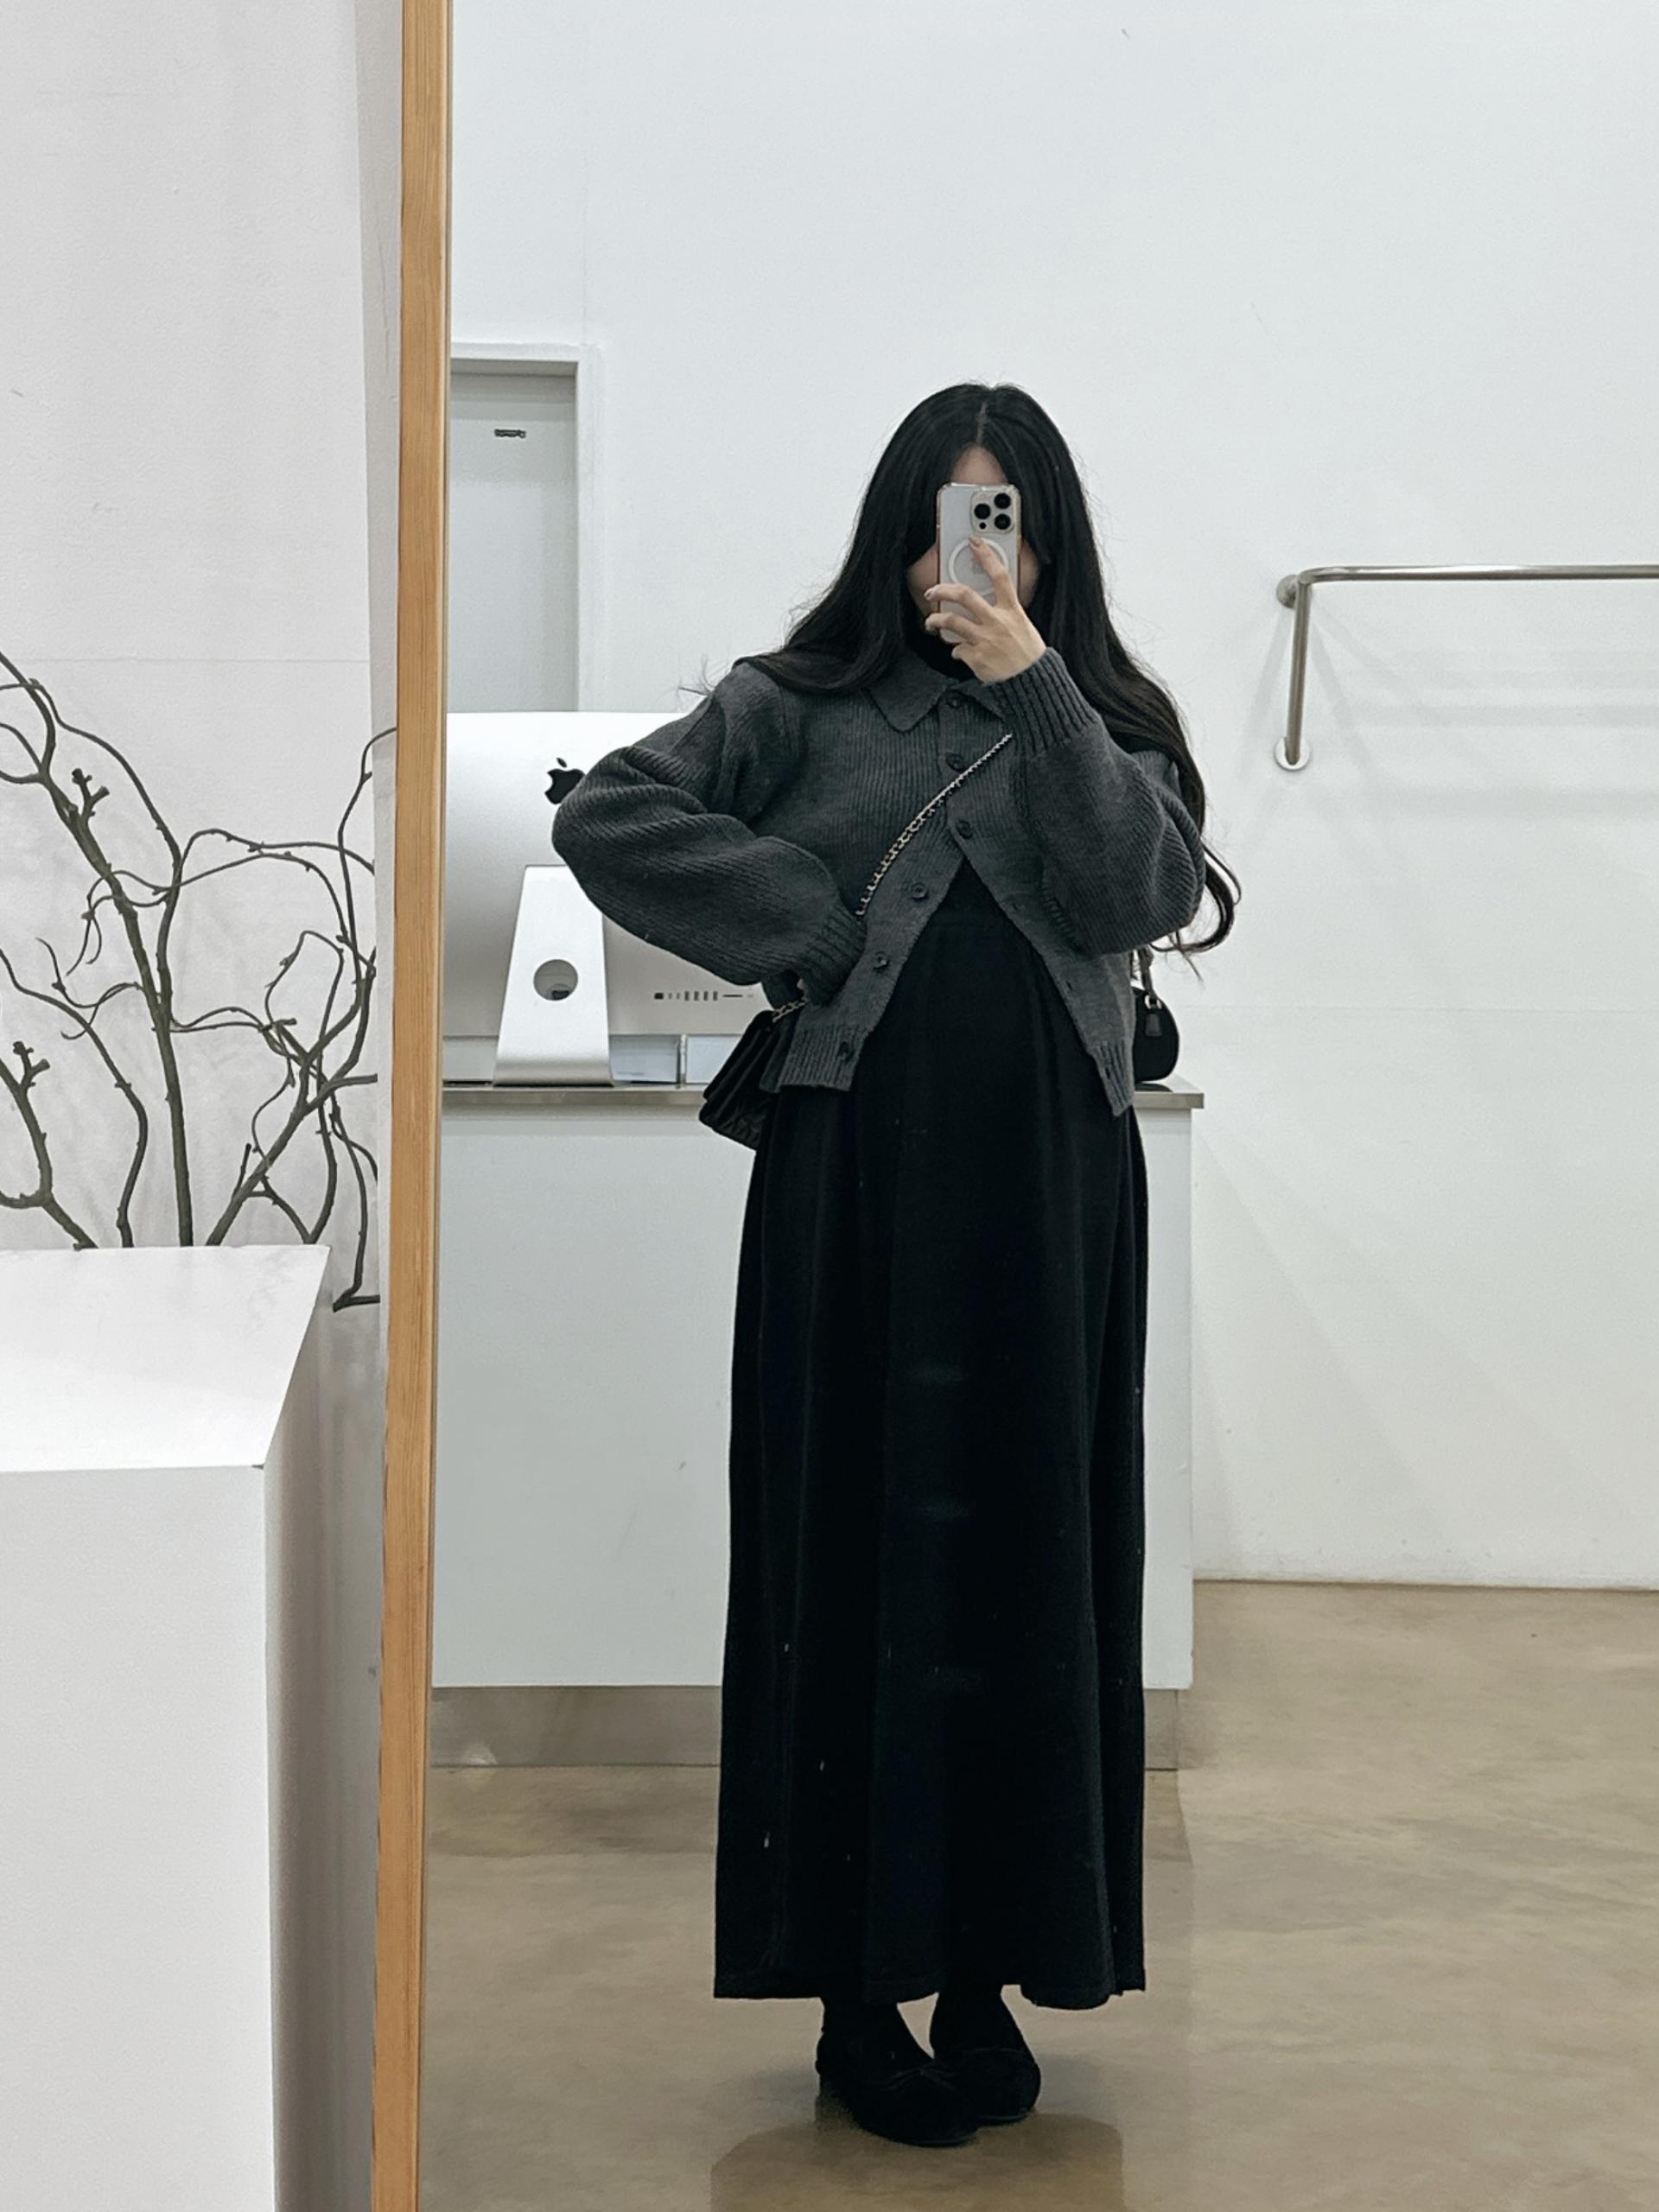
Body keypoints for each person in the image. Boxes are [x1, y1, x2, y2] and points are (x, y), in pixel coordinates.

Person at [550, 382, 1238, 2148]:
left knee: (1031, 1559)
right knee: (848, 1553)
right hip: (857, 1185)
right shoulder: (793, 704)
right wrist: (809, 923)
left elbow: (1135, 894)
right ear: (900, 529)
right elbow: (611, 816)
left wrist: (1034, 680)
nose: (978, 554)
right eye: (953, 516)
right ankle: (856, 1998)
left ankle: (994, 1971)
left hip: (1054, 1189)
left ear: (1050, 544)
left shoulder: (1107, 716)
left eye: (1010, 521)